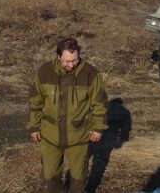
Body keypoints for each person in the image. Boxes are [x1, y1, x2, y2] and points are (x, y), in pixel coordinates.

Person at [29, 37, 108, 193]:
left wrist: (98, 128)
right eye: (67, 61)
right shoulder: (44, 72)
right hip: (50, 134)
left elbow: (100, 103)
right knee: (49, 176)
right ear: (59, 56)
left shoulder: (90, 73)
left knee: (79, 178)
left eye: (75, 60)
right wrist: (34, 126)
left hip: (78, 135)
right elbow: (35, 102)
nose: (71, 65)